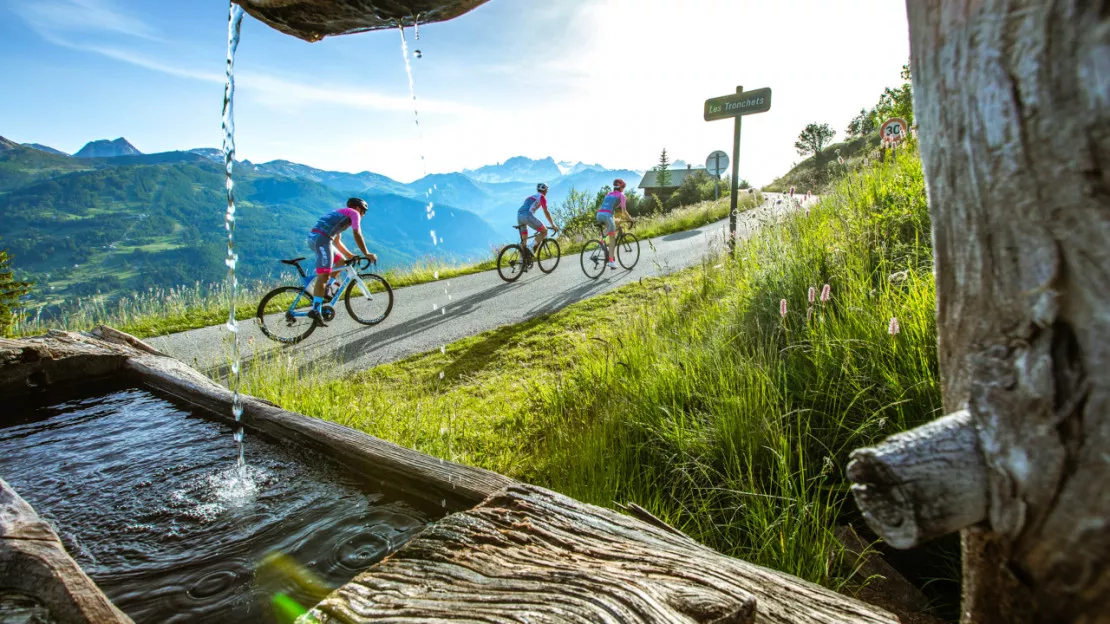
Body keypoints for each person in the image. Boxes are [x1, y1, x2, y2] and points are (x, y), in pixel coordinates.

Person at [306, 197, 376, 326]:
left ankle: (328, 288)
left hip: (317, 238)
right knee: (324, 276)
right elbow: (357, 233)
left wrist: (350, 255)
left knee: (342, 262)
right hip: (322, 240)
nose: (363, 216)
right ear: (359, 209)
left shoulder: (340, 215)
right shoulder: (354, 213)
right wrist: (366, 253)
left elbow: (337, 242)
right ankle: (316, 310)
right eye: (364, 212)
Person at [516, 183, 557, 265]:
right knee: (544, 231)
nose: (547, 192)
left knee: (524, 239)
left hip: (519, 216)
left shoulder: (530, 197)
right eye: (547, 190)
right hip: (527, 216)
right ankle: (530, 247)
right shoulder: (542, 197)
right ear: (545, 190)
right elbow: (546, 211)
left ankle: (522, 261)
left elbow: (528, 208)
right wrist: (553, 224)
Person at [596, 178, 632, 269]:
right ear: (621, 187)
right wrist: (631, 219)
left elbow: (611, 206)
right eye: (623, 187)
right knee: (612, 239)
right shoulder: (621, 195)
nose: (623, 189)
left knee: (611, 227)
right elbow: (624, 211)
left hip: (599, 214)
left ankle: (601, 243)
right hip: (607, 216)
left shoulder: (608, 194)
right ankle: (611, 261)